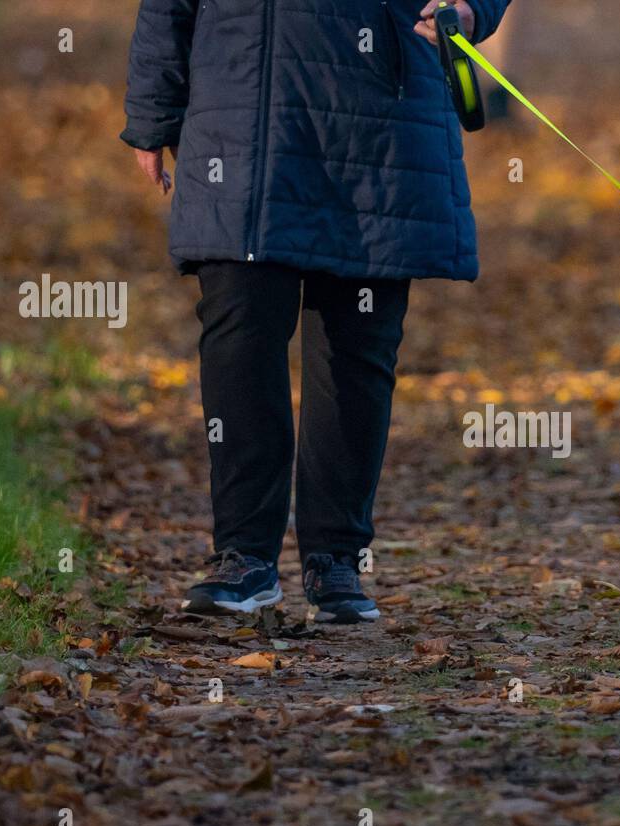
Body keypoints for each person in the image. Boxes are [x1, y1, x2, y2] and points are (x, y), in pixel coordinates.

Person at [120, 0, 510, 622]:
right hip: (240, 115)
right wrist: (152, 108)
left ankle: (336, 558)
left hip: (382, 117)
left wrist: (471, 7)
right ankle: (244, 555)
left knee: (355, 348)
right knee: (239, 332)